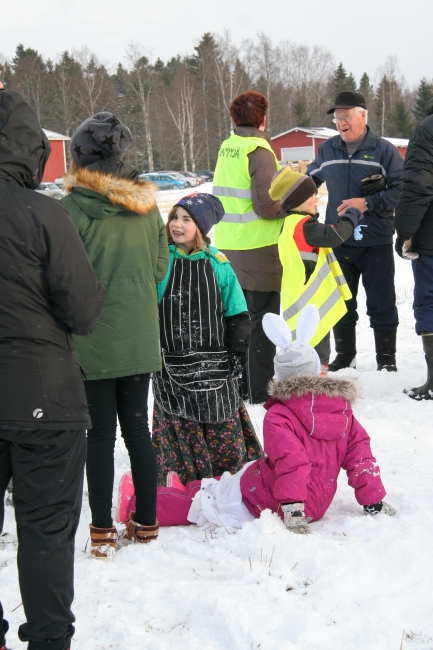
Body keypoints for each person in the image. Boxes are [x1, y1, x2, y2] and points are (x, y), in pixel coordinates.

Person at [120, 306, 396, 533]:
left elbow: (292, 461)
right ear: (317, 372)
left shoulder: (281, 414)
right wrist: (374, 501)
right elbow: (361, 457)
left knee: (206, 503)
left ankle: (138, 503)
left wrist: (292, 507)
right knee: (229, 481)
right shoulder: (342, 410)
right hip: (314, 502)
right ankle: (184, 487)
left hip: (281, 501)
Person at [0, 88, 106, 650]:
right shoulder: (43, 212)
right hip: (45, 397)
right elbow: (83, 309)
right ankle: (48, 640)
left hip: (38, 395)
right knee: (45, 531)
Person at [61, 112, 169, 560]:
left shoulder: (72, 209)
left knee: (100, 435)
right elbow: (160, 267)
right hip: (140, 334)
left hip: (92, 337)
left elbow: (62, 276)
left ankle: (103, 528)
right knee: (138, 430)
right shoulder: (147, 209)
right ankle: (147, 521)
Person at [152, 193, 263, 487]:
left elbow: (237, 313)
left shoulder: (219, 265)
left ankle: (227, 482)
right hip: (169, 364)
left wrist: (237, 354)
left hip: (215, 365)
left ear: (201, 227)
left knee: (219, 419)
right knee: (178, 418)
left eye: (186, 219)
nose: (177, 224)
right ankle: (180, 482)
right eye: (174, 217)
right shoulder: (160, 261)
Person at [307, 91, 403, 372]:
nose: (341, 123)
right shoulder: (327, 150)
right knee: (340, 303)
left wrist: (367, 202)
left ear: (363, 115)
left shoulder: (385, 150)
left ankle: (386, 359)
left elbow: (400, 190)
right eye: (337, 118)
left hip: (376, 240)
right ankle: (345, 355)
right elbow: (308, 181)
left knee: (382, 302)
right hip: (338, 239)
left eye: (346, 116)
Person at [213, 90, 285, 403]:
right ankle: (260, 391)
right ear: (264, 119)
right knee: (263, 322)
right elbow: (268, 205)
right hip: (259, 247)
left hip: (228, 246)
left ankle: (240, 386)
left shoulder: (227, 147)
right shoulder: (259, 150)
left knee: (239, 320)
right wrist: (293, 205)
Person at [268, 166, 363, 371]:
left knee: (309, 351)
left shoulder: (289, 224)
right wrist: (352, 216)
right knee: (316, 353)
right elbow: (334, 236)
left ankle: (314, 384)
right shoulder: (303, 226)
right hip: (309, 304)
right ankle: (316, 389)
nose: (317, 199)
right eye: (312, 195)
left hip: (300, 298)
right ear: (297, 200)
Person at [394, 105, 433, 399]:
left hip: (431, 238)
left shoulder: (427, 129)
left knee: (430, 302)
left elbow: (418, 184)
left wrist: (405, 231)